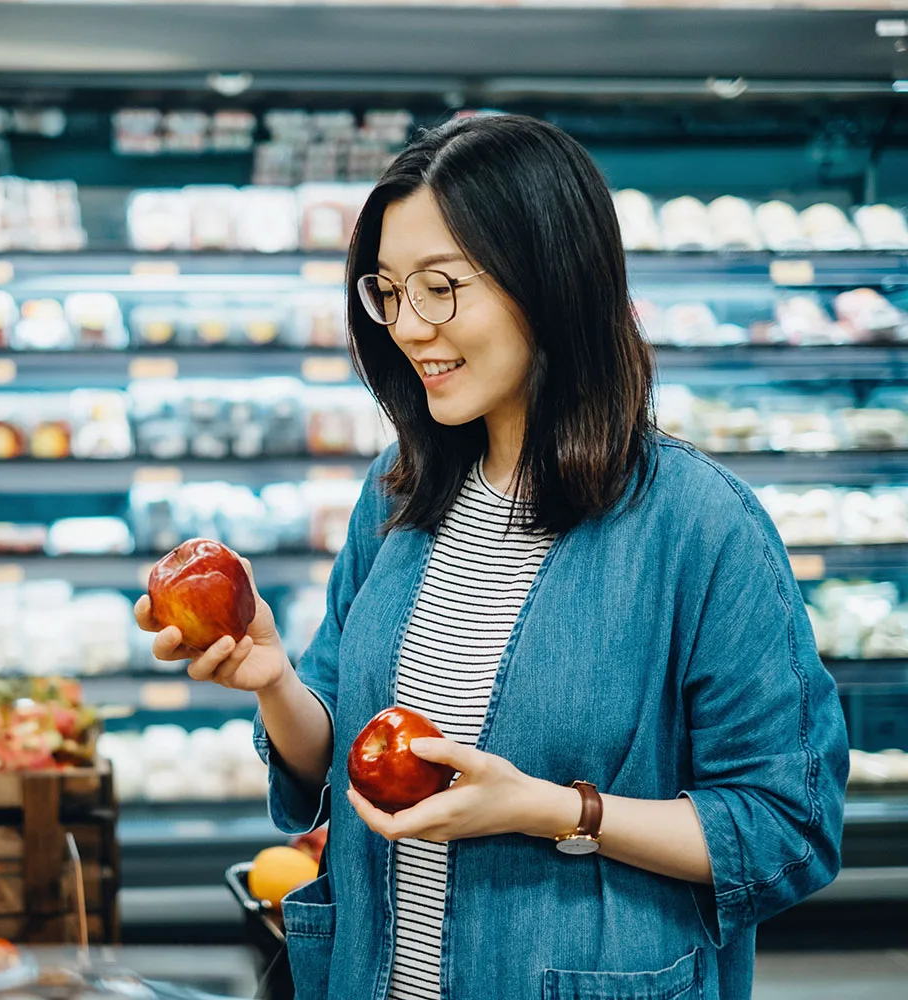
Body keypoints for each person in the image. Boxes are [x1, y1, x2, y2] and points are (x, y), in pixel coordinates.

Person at [135, 114, 849, 1000]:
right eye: (388, 291)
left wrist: (553, 809)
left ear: (550, 280)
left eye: (440, 287)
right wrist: (276, 680)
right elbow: (329, 760)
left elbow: (787, 824)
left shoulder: (701, 528)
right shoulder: (397, 496)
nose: (407, 326)